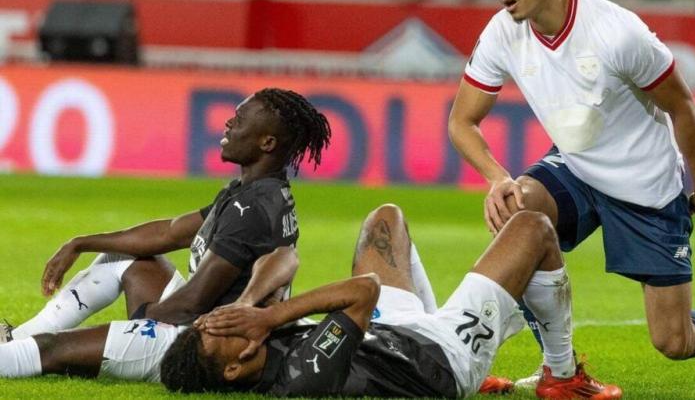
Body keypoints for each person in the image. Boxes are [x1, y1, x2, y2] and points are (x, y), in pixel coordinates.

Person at [447, 0, 695, 382]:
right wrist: (498, 179)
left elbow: (683, 109)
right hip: (577, 168)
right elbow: (461, 121)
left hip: (647, 184)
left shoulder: (616, 32)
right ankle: (558, 370)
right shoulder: (502, 32)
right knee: (517, 206)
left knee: (674, 342)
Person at [0, 87, 331, 382]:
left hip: (202, 346)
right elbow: (169, 232)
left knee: (51, 351)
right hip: (199, 322)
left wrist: (137, 325)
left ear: (267, 143)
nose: (229, 125)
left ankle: (17, 347)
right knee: (126, 259)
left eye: (239, 120)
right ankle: (18, 336)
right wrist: (81, 243)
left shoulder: (252, 210)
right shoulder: (253, 192)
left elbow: (192, 302)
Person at [160, 204, 621, 399]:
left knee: (384, 219)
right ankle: (562, 377)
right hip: (441, 359)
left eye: (214, 321)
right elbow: (364, 291)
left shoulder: (251, 347)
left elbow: (287, 260)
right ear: (234, 368)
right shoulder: (303, 377)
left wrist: (251, 306)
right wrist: (270, 315)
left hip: (387, 335)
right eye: (223, 332)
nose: (228, 322)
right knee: (533, 227)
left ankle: (446, 313)